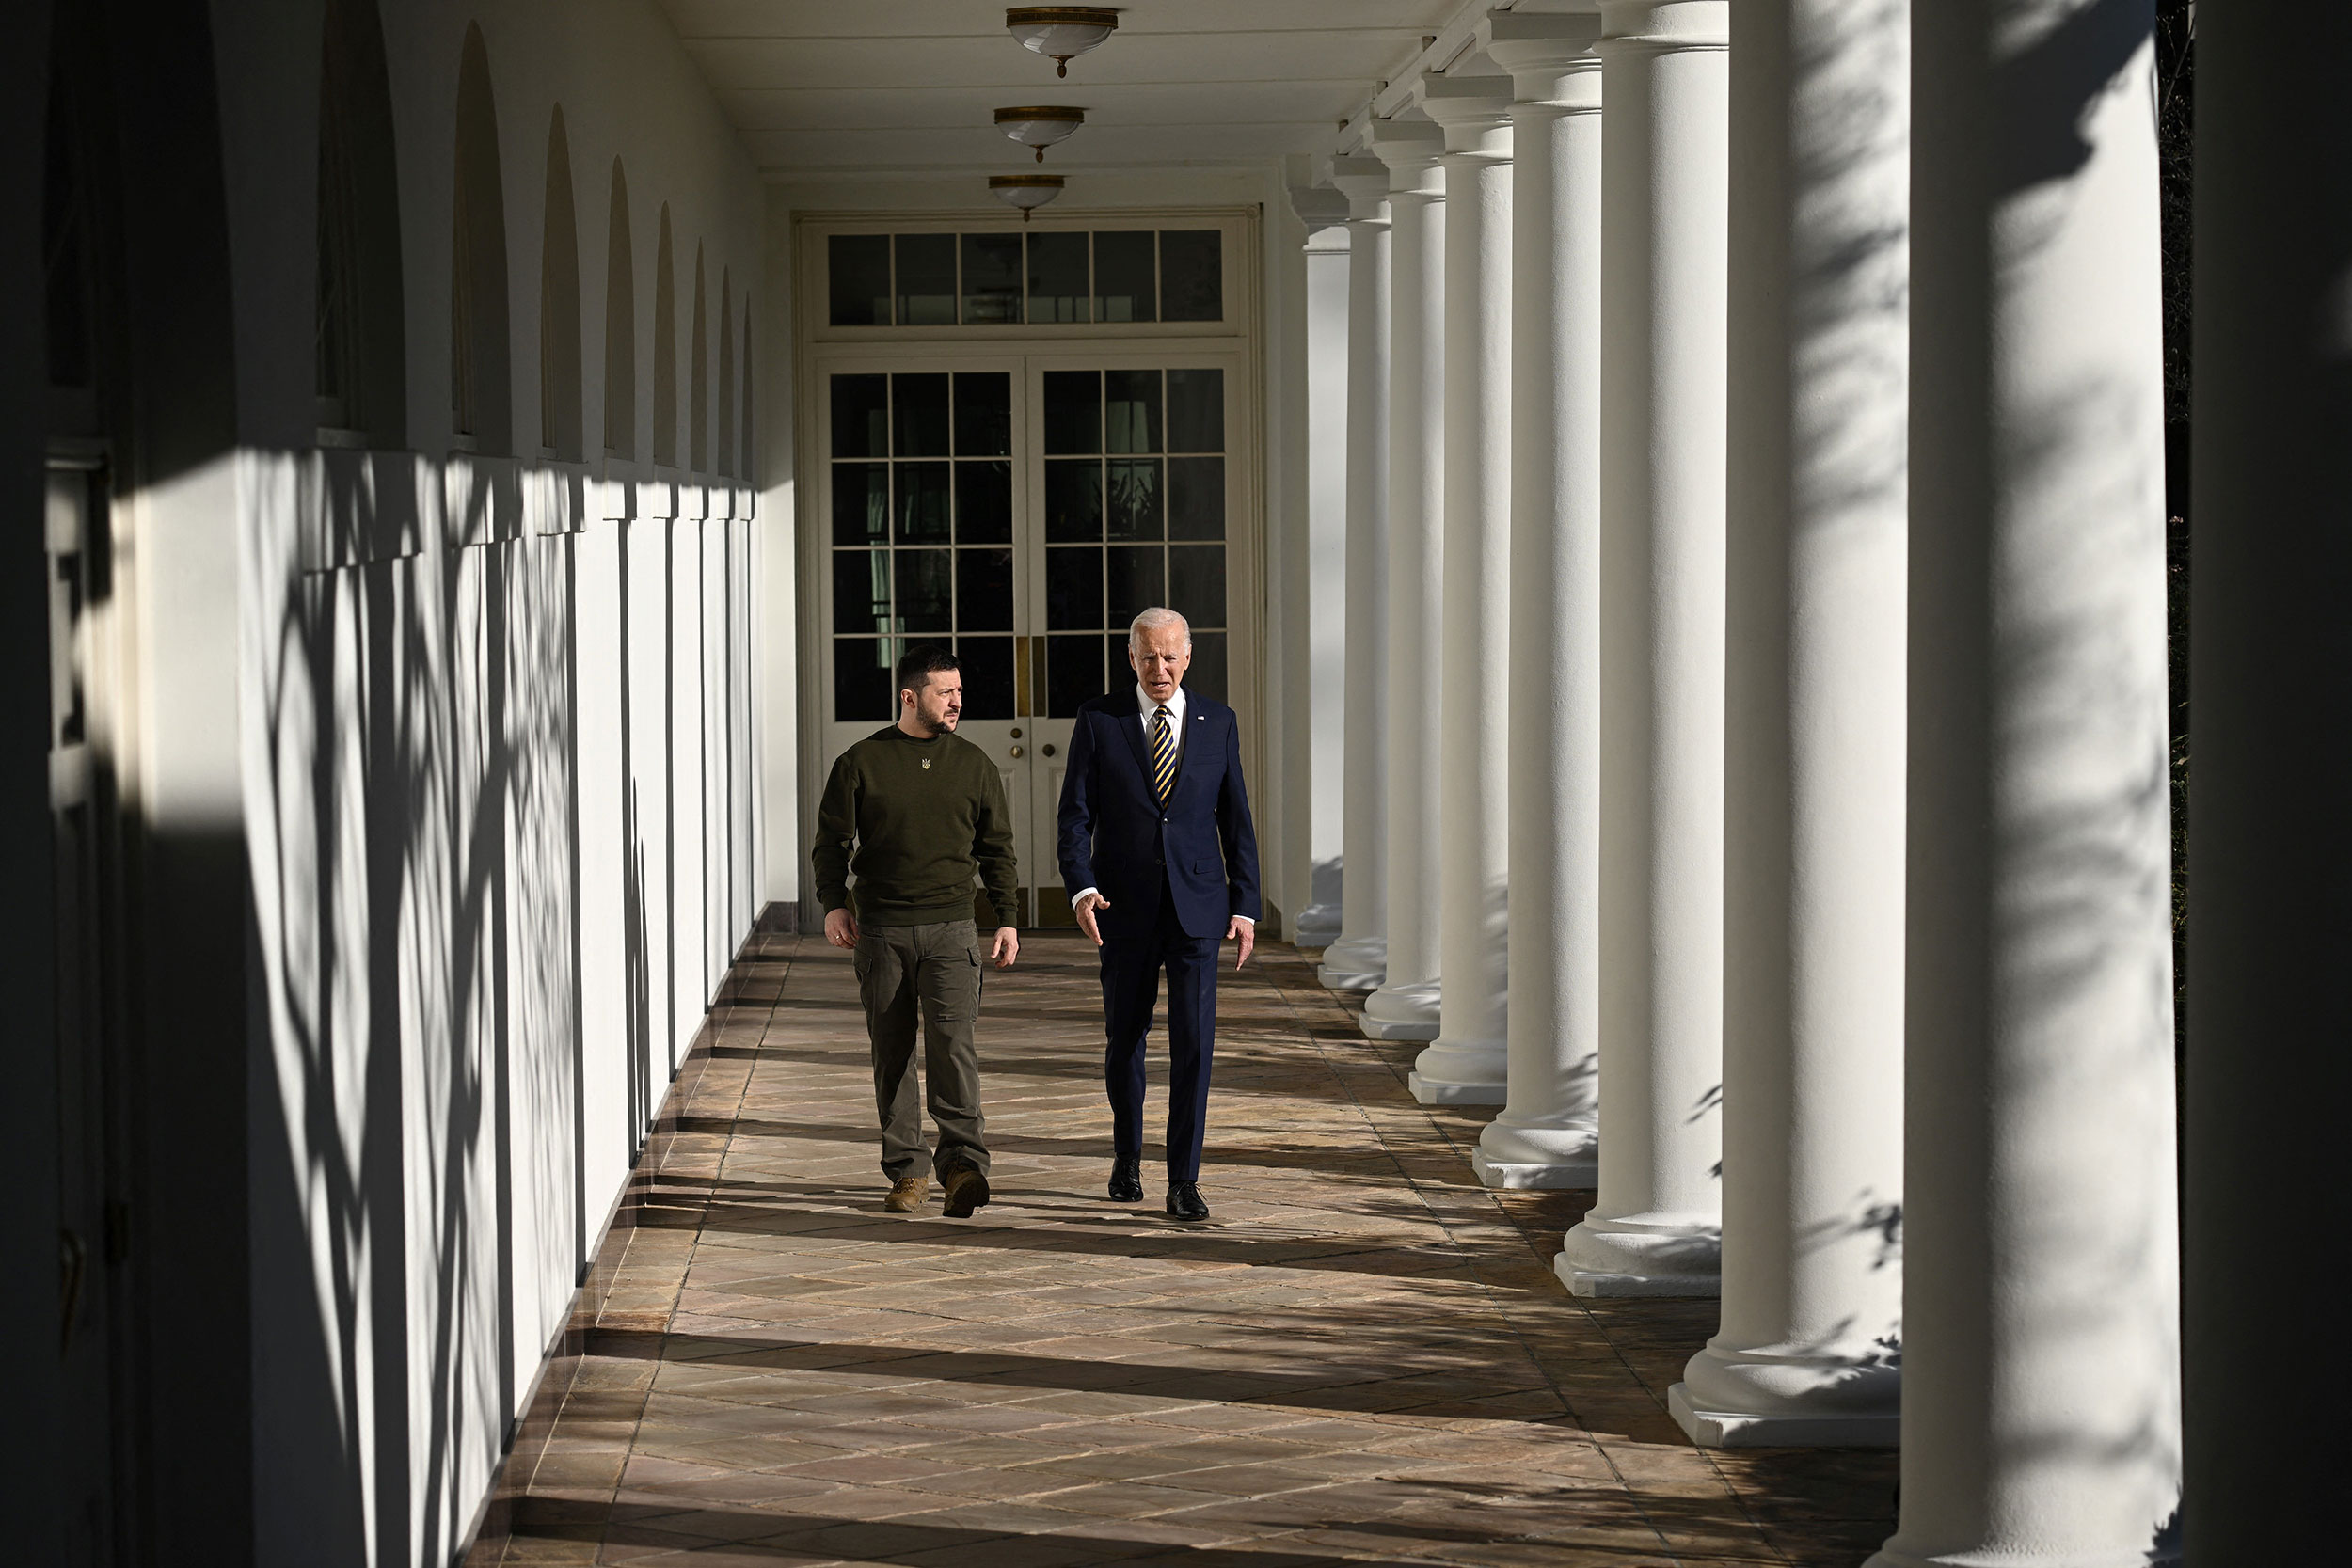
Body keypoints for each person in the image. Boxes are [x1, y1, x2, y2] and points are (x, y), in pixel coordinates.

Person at [1057, 607, 1261, 1221]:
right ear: (1131, 658)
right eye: (1148, 656)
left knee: (1194, 1046)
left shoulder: (1218, 722)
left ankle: (1184, 1180)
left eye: (1170, 655)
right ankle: (1126, 1153)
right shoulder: (1100, 721)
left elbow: (1237, 820)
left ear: (1188, 656)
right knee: (1127, 1039)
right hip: (1124, 908)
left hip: (1199, 909)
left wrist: (1246, 906)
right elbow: (1075, 817)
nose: (1160, 667)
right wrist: (1081, 887)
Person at [812, 644, 1020, 1218]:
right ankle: (908, 1171)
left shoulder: (975, 764)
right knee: (894, 1052)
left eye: (958, 691)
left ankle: (963, 1166)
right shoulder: (861, 763)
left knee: (954, 1048)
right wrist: (834, 904)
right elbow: (831, 842)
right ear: (910, 697)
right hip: (882, 932)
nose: (957, 701)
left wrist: (1005, 916)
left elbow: (997, 848)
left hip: (954, 929)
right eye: (944, 692)